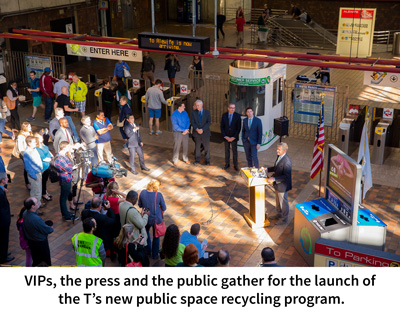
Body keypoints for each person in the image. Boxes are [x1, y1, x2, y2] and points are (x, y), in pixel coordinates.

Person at [138, 179, 166, 260]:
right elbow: (163, 208)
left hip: (146, 218)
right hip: (156, 219)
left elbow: (140, 205)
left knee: (145, 233)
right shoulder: (158, 195)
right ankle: (155, 254)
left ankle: (148, 250)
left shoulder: (142, 192)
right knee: (156, 236)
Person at [22, 197, 54, 266]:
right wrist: (51, 228)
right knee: (45, 262)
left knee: (36, 260)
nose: (38, 203)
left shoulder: (25, 213)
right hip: (40, 243)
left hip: (31, 242)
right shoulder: (36, 219)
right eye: (37, 202)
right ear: (32, 206)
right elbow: (47, 230)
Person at [266, 142, 292, 225]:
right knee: (278, 201)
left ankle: (284, 218)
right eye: (277, 149)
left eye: (279, 150)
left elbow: (286, 176)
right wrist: (267, 169)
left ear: (284, 151)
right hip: (277, 185)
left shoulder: (287, 162)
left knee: (283, 202)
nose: (277, 151)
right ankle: (279, 214)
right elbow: (276, 167)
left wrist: (274, 178)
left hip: (283, 186)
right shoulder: (279, 156)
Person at [54, 141, 79, 221]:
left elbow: (68, 169)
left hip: (67, 177)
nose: (70, 148)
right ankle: (66, 215)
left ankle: (66, 213)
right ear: (64, 148)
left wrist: (68, 169)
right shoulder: (59, 158)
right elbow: (69, 169)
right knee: (63, 198)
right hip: (65, 180)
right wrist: (69, 168)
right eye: (68, 147)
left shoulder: (64, 156)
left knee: (64, 197)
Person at [23, 136, 44, 209]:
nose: (36, 143)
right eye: (34, 142)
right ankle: (35, 208)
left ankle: (38, 203)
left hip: (38, 173)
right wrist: (34, 176)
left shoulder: (34, 149)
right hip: (34, 175)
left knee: (39, 191)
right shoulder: (27, 153)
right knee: (36, 193)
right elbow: (28, 167)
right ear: (29, 143)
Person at [220, 103, 241, 171]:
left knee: (234, 151)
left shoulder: (237, 116)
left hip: (234, 137)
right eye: (231, 108)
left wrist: (233, 137)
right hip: (226, 137)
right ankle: (227, 164)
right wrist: (225, 136)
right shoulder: (224, 115)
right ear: (228, 108)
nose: (232, 109)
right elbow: (222, 127)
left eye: (234, 108)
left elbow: (238, 128)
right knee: (227, 151)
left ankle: (235, 165)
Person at [34, 132, 53, 203]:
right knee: (43, 181)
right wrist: (49, 159)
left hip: (47, 165)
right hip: (42, 167)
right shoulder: (36, 148)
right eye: (40, 138)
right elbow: (42, 157)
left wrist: (51, 156)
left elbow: (47, 151)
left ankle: (45, 191)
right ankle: (44, 194)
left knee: (45, 180)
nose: (42, 138)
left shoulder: (43, 145)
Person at [191, 100, 211, 165]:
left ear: (202, 105)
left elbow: (209, 122)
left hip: (205, 132)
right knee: (197, 146)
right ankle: (197, 159)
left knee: (206, 147)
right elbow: (193, 122)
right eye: (196, 105)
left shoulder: (207, 112)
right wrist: (197, 129)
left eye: (198, 105)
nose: (197, 107)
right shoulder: (193, 112)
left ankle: (207, 160)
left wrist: (202, 129)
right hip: (197, 132)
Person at [171, 101, 190, 166]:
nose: (184, 107)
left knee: (185, 146)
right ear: (179, 107)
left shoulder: (185, 113)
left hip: (186, 132)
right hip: (178, 133)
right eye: (183, 106)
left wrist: (186, 129)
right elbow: (175, 125)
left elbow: (188, 121)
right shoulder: (174, 114)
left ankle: (185, 158)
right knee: (177, 146)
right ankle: (175, 159)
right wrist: (183, 130)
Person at [0, 173, 13, 264]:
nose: (8, 179)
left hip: (3, 219)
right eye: (7, 178)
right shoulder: (0, 193)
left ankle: (4, 253)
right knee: (3, 238)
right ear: (3, 180)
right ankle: (2, 257)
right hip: (2, 221)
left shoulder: (2, 190)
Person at [17, 122, 32, 190]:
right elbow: (21, 148)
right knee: (26, 168)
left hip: (31, 153)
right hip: (25, 154)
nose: (30, 128)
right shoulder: (21, 136)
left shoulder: (30, 134)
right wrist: (25, 156)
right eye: (29, 127)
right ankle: (27, 183)